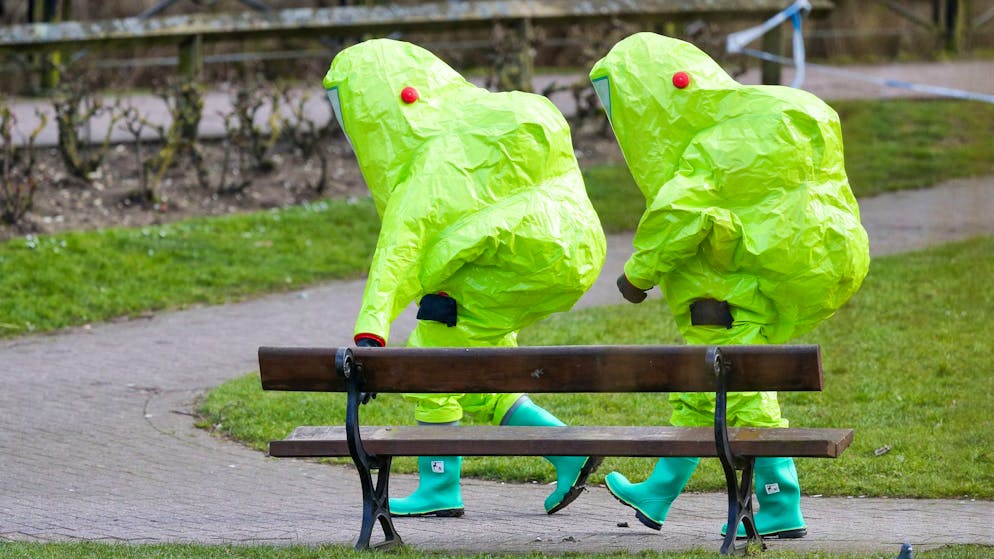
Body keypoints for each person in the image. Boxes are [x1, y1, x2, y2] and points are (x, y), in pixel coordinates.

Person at [588, 32, 870, 538]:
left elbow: (680, 214)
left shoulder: (710, 146)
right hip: (734, 291)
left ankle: (780, 505)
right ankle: (658, 492)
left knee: (743, 398)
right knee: (700, 395)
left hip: (722, 302)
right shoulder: (733, 134)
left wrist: (637, 275)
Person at [323, 38, 607, 518]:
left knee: (432, 358)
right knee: (479, 370)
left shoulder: (434, 161)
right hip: (564, 251)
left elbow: (399, 250)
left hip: (502, 261)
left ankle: (439, 486)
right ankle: (567, 450)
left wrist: (371, 332)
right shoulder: (487, 117)